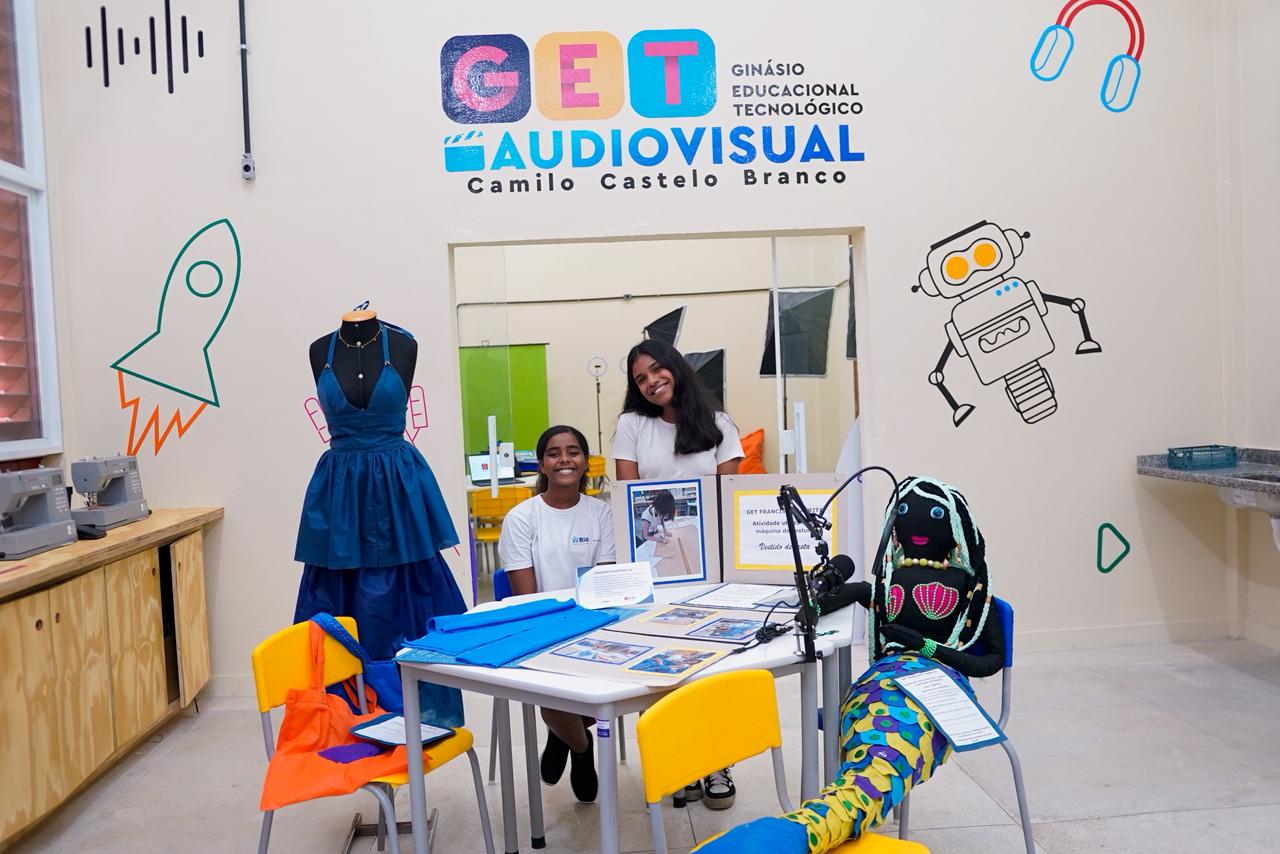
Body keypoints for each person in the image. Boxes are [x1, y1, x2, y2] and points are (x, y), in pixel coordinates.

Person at [693, 476, 1004, 853]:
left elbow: (990, 661)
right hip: (880, 684)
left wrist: (923, 646)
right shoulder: (888, 581)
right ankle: (816, 825)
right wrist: (814, 604)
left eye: (935, 516)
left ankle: (809, 829)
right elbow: (851, 593)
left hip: (940, 687)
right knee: (868, 755)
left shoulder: (972, 590)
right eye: (904, 511)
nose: (916, 522)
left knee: (889, 754)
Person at [294, 313, 465, 726]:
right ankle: (345, 715)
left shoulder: (404, 345)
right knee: (335, 599)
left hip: (398, 488)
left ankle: (417, 713)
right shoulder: (319, 350)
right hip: (341, 491)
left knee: (410, 596)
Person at [613, 339, 744, 810]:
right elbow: (627, 496)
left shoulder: (719, 424)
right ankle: (679, 758)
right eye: (640, 379)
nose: (651, 382)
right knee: (661, 664)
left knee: (712, 662)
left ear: (675, 367)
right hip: (654, 566)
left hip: (710, 565)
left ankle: (717, 761)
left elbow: (731, 498)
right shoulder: (632, 425)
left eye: (656, 370)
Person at [498, 425, 615, 804]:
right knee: (552, 686)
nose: (564, 459)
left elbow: (605, 586)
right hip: (542, 626)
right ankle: (582, 747)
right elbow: (527, 600)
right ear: (542, 464)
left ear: (585, 461)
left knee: (598, 680)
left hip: (594, 622)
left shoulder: (602, 513)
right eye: (553, 453)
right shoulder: (521, 518)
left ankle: (561, 734)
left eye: (573, 451)